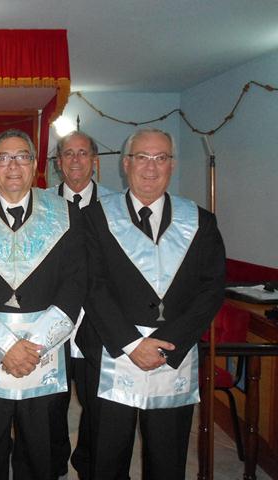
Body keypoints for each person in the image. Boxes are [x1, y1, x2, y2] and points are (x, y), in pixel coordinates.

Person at [79, 127, 225, 479]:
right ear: (126, 164)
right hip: (113, 352)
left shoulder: (201, 221)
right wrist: (132, 344)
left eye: (161, 158)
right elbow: (92, 286)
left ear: (171, 165)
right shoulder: (94, 218)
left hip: (172, 355)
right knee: (106, 458)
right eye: (142, 157)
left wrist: (167, 344)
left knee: (168, 460)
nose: (151, 167)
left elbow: (211, 289)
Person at [0, 129, 87, 479]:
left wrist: (34, 345)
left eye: (22, 157)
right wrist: (3, 345)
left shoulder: (66, 215)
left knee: (41, 449)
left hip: (44, 351)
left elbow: (75, 283)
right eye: (3, 158)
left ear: (35, 165)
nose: (13, 165)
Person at [48, 131, 113, 480]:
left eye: (83, 153)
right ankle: (54, 462)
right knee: (51, 402)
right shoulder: (42, 204)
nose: (75, 160)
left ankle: (88, 463)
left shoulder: (115, 205)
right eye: (68, 154)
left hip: (99, 321)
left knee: (97, 402)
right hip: (53, 319)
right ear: (59, 163)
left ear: (95, 161)